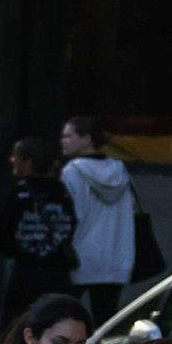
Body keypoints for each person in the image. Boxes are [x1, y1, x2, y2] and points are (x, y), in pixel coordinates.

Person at [57, 114, 139, 314]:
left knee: (61, 314)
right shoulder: (119, 170)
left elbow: (70, 215)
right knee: (106, 317)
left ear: (87, 138)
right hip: (116, 258)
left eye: (68, 136)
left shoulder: (72, 171)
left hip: (80, 256)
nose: (63, 141)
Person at [0, 134, 79, 316]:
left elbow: (5, 238)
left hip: (25, 273)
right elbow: (71, 225)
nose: (11, 160)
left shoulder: (17, 194)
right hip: (58, 274)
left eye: (16, 156)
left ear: (28, 162)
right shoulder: (62, 192)